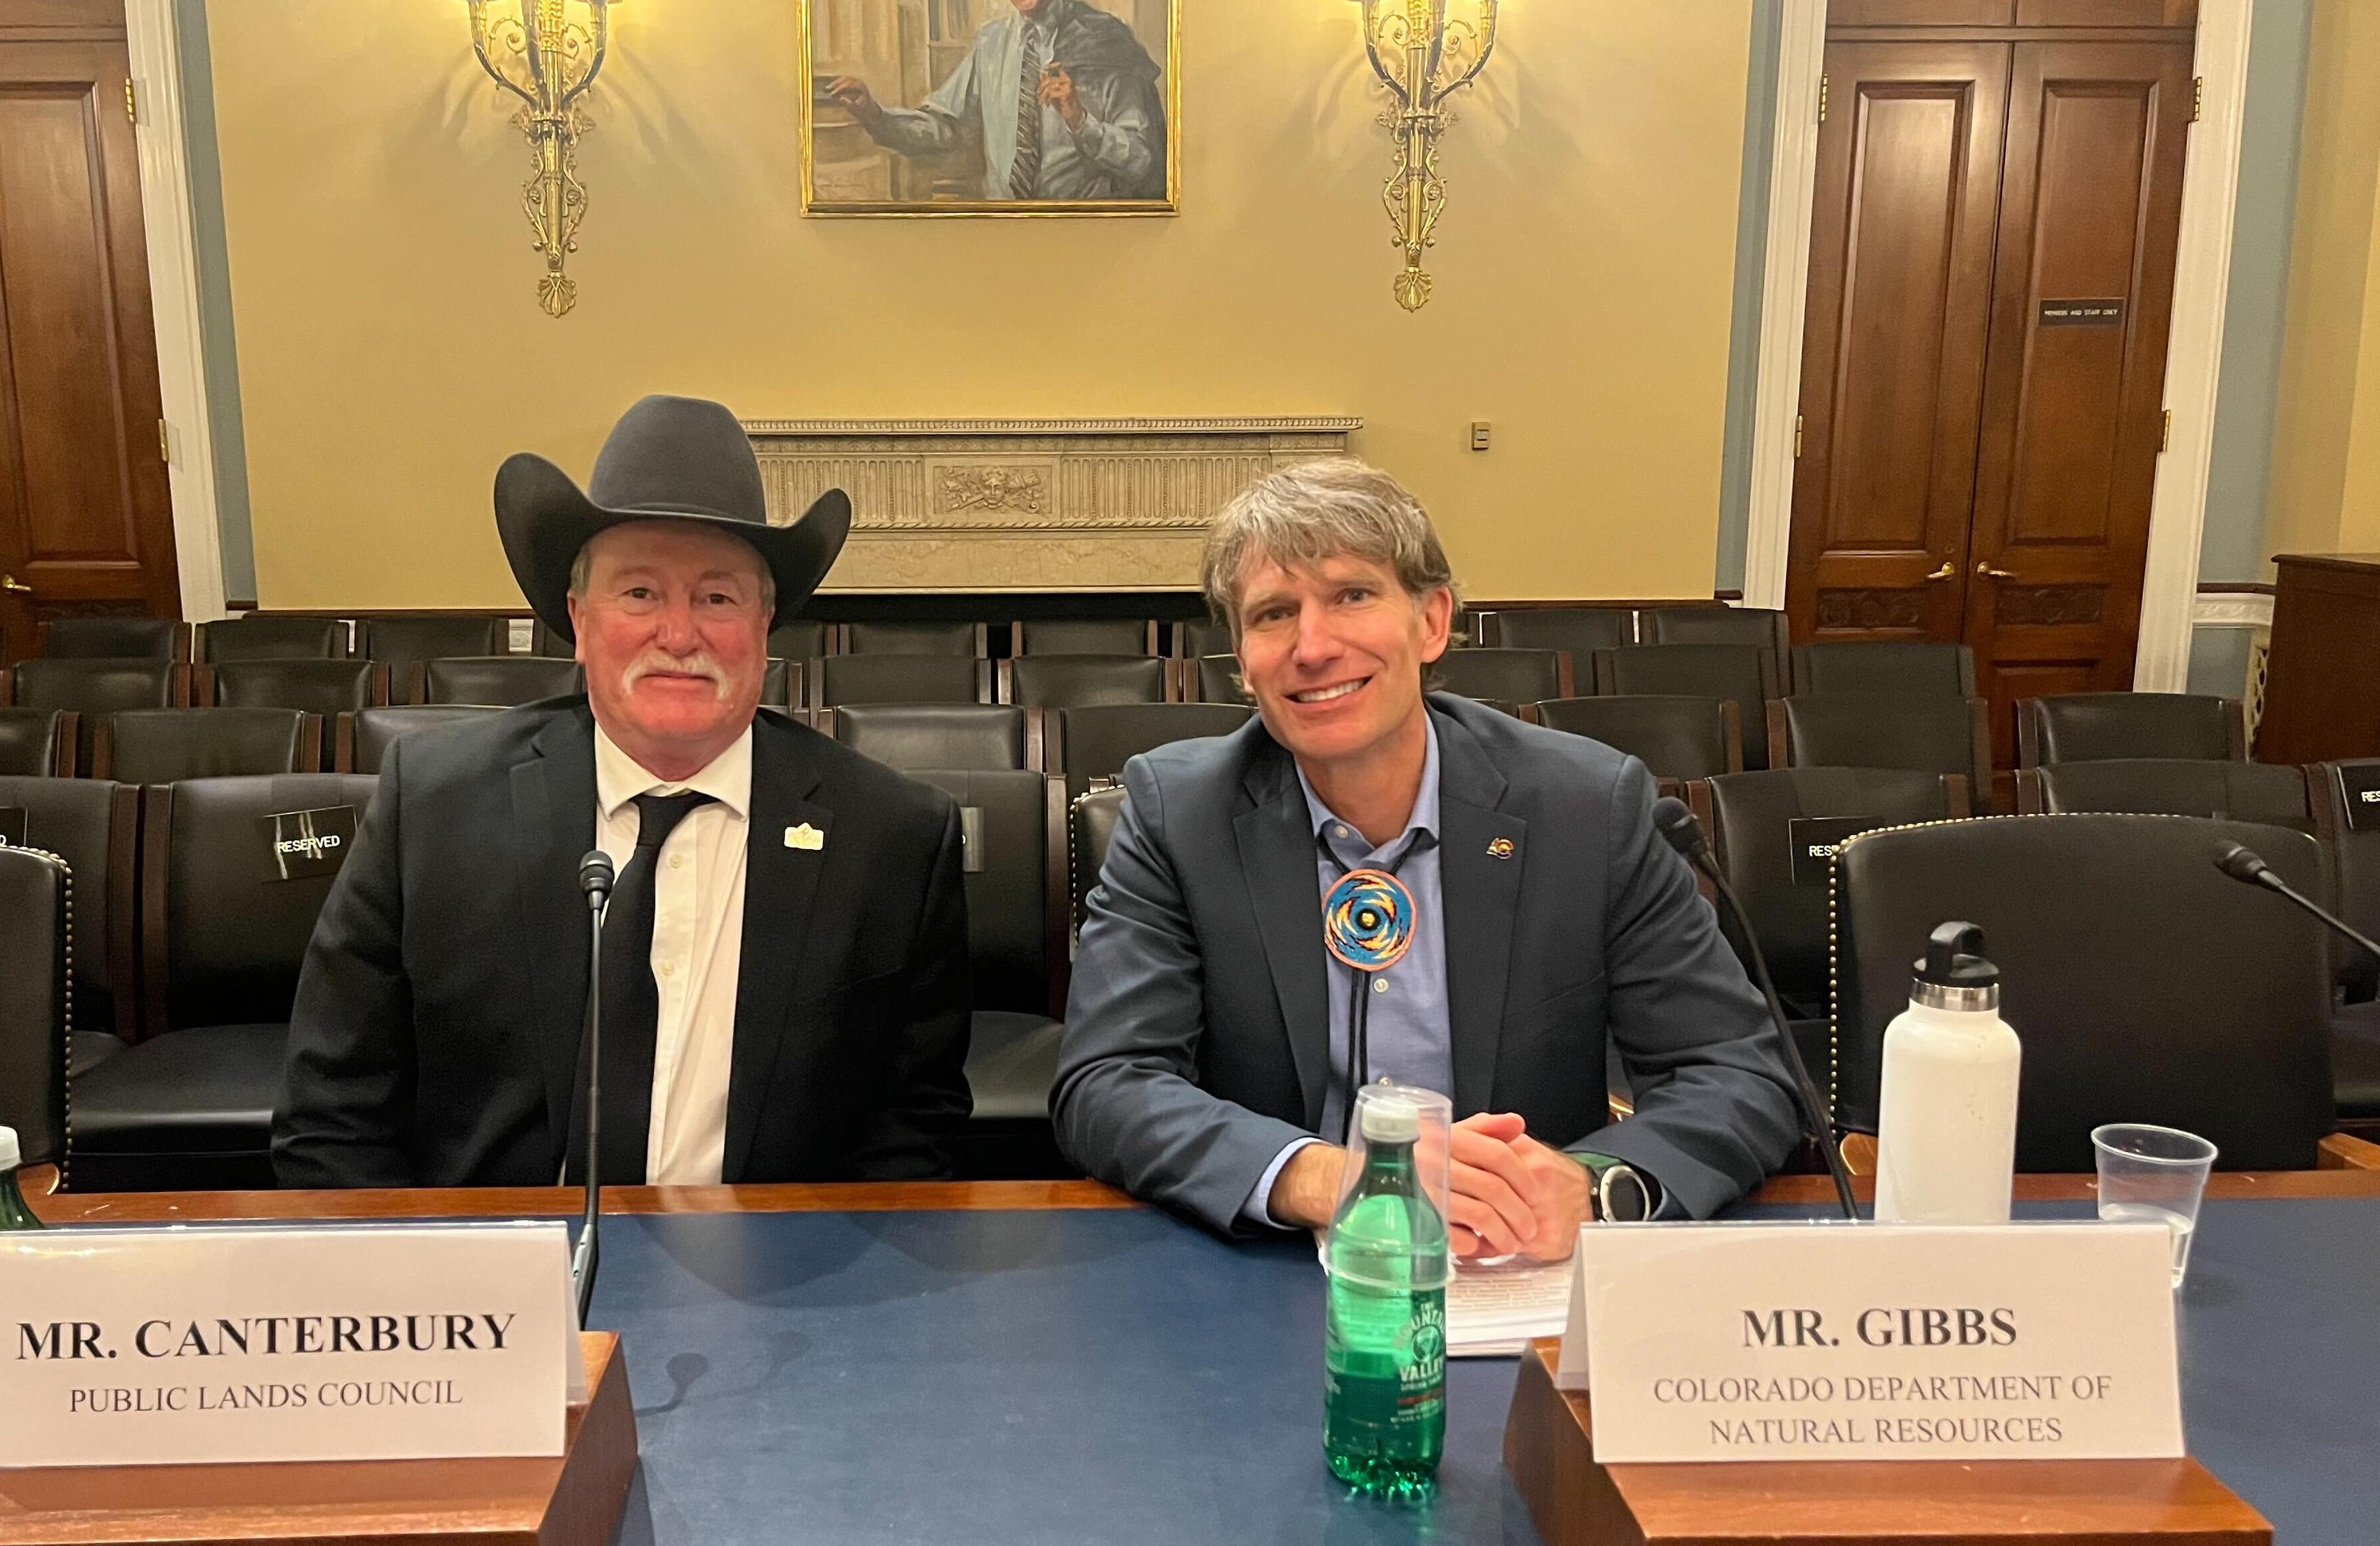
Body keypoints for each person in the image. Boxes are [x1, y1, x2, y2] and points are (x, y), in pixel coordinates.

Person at [1051, 459, 1801, 1255]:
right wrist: (1337, 1179)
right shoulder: (1180, 814)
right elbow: (1107, 1085)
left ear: (1433, 620)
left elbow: (1739, 1074)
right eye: (1273, 613)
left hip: (1516, 1264)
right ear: (1242, 658)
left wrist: (1592, 1185)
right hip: (1276, 1264)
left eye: (1352, 595)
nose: (1312, 646)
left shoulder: (1588, 807)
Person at [272, 394, 973, 1188]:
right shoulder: (431, 807)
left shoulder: (894, 839)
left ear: (765, 625)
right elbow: (332, 1120)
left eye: (717, 598)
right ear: (578, 619)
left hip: (779, 1284)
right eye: (640, 593)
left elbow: (914, 1131)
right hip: (496, 1289)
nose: (680, 636)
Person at [827, 0, 1166, 202]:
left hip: (1082, 230)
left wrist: (1080, 120)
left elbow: (1142, 160)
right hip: (1003, 228)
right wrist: (876, 115)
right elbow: (945, 126)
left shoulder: (1105, 41)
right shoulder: (992, 43)